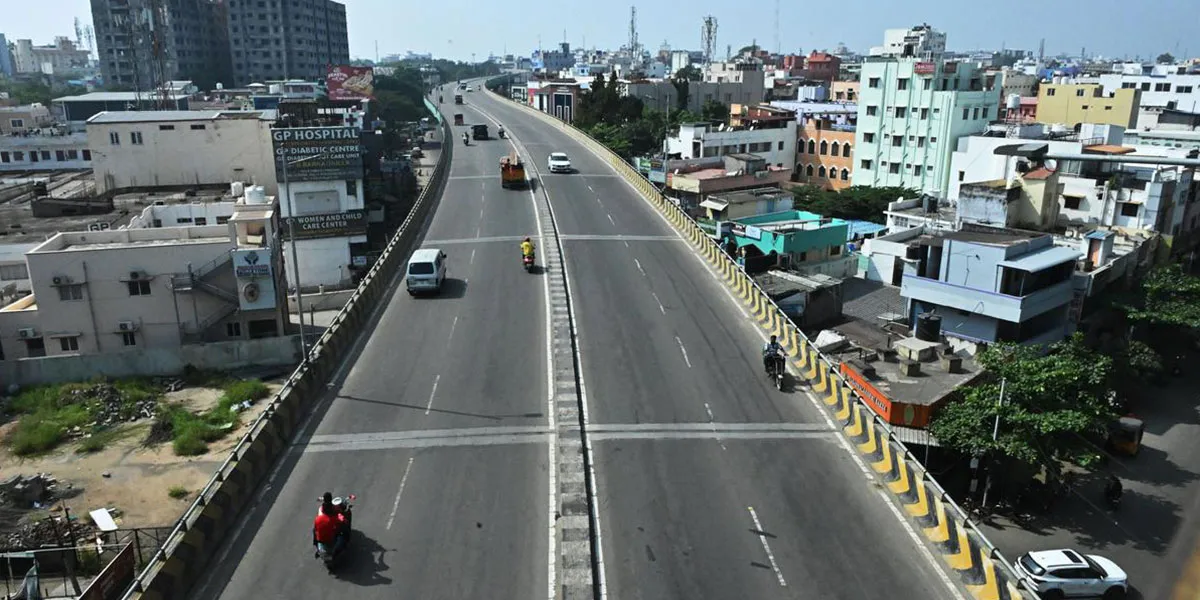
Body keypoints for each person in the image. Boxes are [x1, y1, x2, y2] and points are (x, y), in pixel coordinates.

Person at [313, 492, 347, 558]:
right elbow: (339, 517)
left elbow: (316, 529)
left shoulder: (318, 518)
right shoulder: (333, 518)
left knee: (314, 530)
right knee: (342, 532)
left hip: (320, 540)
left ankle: (316, 546)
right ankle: (344, 546)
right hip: (330, 539)